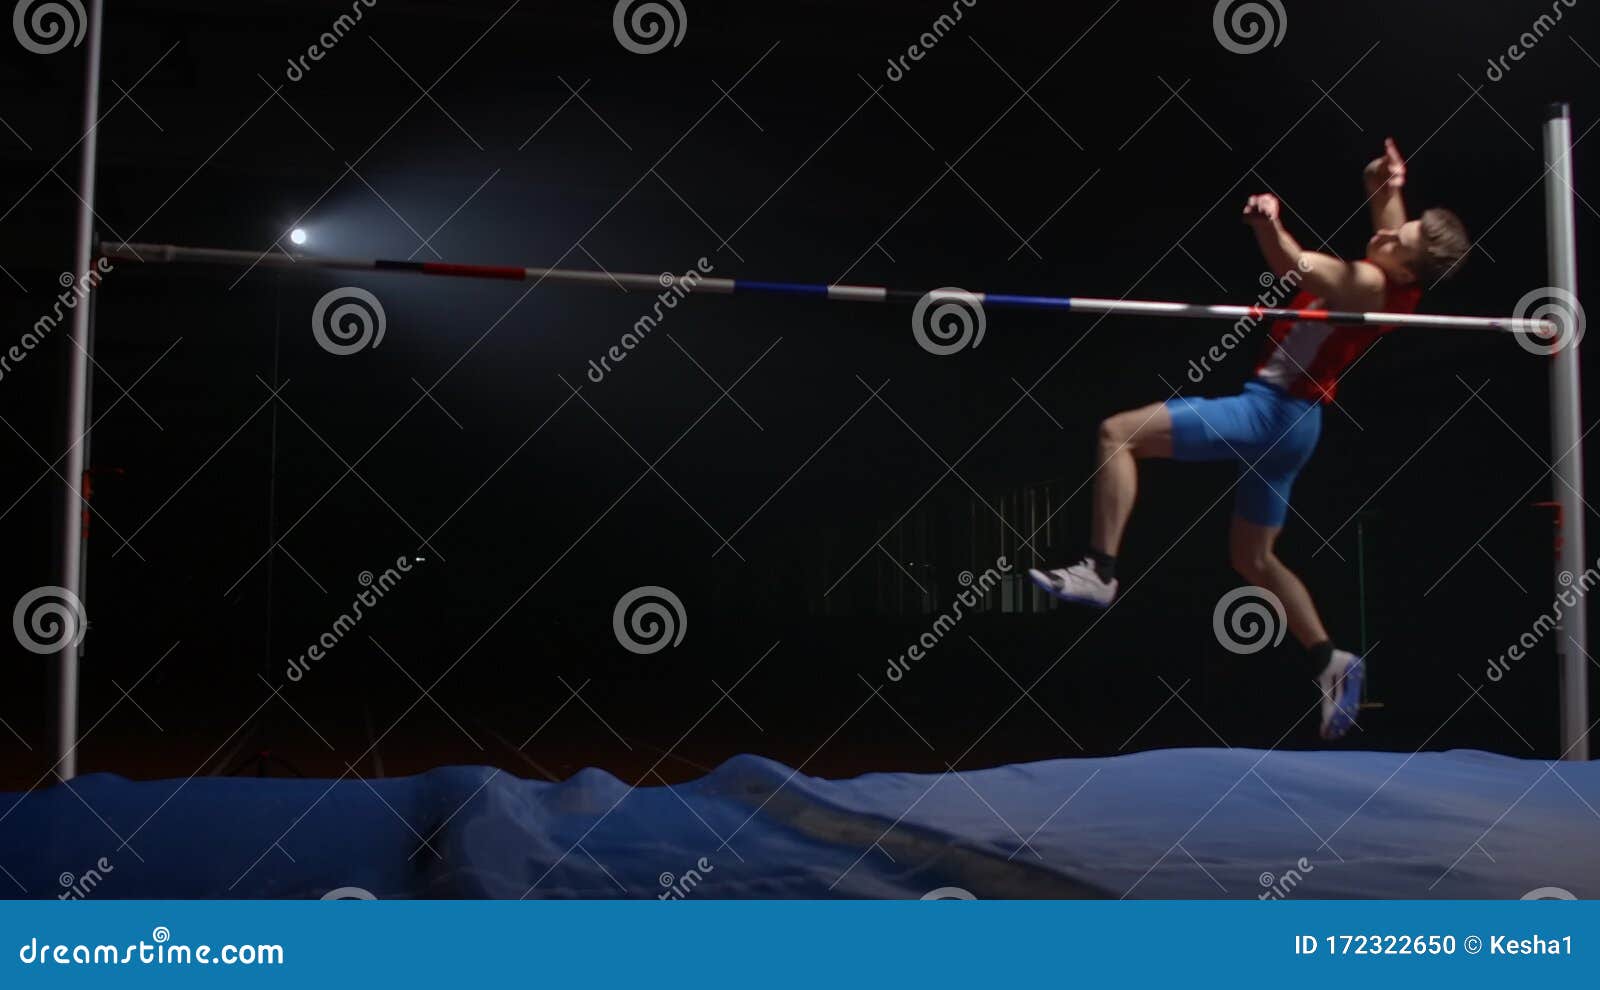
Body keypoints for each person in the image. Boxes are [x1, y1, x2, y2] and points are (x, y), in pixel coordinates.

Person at [1028, 138, 1471, 740]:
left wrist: (1268, 222)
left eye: (1402, 241)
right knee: (1253, 559)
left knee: (1117, 434)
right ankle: (1329, 661)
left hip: (1271, 414)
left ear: (1406, 269)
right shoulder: (1395, 266)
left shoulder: (1370, 281)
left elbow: (1291, 264)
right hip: (1300, 425)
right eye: (1404, 227)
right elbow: (1383, 209)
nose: (1390, 234)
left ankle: (1100, 570)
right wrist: (1386, 182)